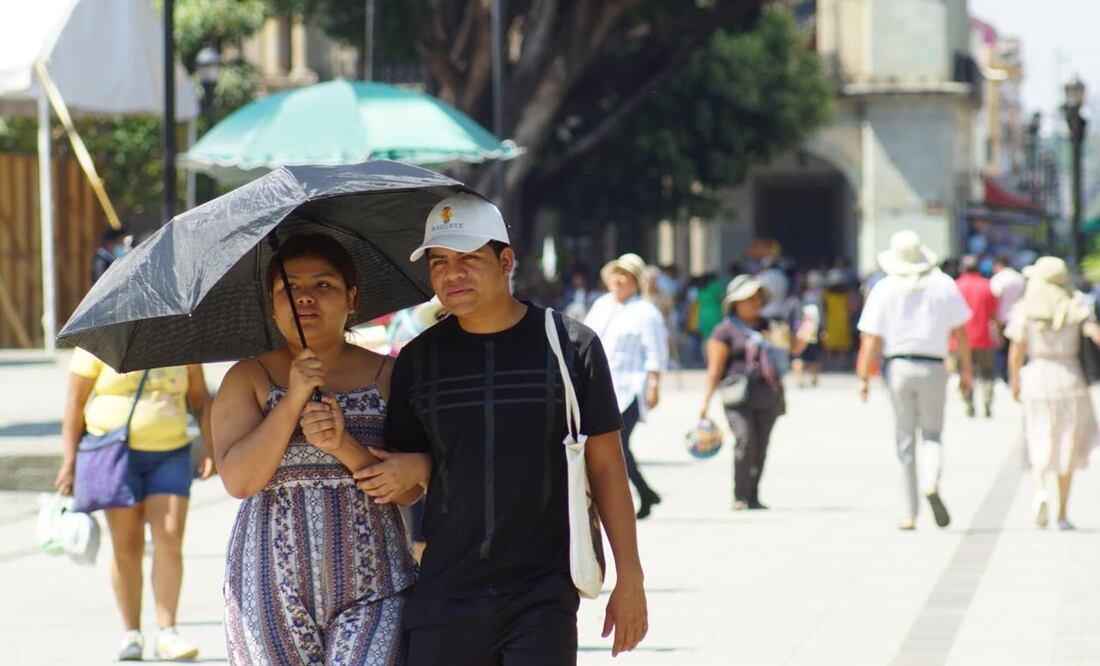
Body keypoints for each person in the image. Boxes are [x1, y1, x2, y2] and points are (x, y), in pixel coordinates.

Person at [378, 193, 647, 665]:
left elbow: (606, 468)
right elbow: (407, 483)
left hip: (541, 596)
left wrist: (631, 579)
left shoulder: (570, 347)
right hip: (443, 594)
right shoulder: (418, 361)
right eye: (439, 262)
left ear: (506, 261)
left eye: (467, 258)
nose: (451, 274)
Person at [211, 234, 427, 665]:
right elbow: (239, 480)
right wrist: (291, 399)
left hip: (375, 584)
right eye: (289, 288)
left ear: (352, 298)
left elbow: (410, 491)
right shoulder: (247, 378)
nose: (305, 298)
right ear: (273, 304)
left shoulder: (390, 375)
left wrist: (343, 445)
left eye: (323, 285)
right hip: (268, 588)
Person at [57, 350, 214, 661]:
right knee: (126, 545)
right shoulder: (98, 341)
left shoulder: (181, 338)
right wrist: (69, 462)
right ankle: (132, 633)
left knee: (169, 537)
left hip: (172, 452)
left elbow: (200, 399)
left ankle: (168, 632)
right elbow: (75, 404)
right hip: (114, 454)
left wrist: (211, 446)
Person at [856, 230, 973, 530]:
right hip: (934, 366)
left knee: (904, 440)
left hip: (898, 368)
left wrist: (863, 377)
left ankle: (909, 513)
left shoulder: (884, 288)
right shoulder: (943, 285)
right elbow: (961, 334)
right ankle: (931, 482)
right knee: (932, 434)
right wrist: (966, 371)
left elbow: (870, 338)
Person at [1007, 257, 1100, 530]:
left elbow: (1016, 349)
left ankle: (1040, 490)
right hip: (1070, 376)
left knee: (1038, 434)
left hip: (1037, 375)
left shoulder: (1026, 309)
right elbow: (1094, 333)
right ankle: (1062, 514)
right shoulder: (1075, 306)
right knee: (1067, 442)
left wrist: (1014, 380)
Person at [585, 253, 669, 519]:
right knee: (607, 445)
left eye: (626, 276)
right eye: (616, 274)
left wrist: (654, 384)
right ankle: (645, 492)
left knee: (617, 443)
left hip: (629, 387)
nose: (619, 280)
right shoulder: (600, 305)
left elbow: (656, 350)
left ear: (635, 281)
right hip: (599, 385)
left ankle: (639, 493)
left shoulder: (645, 312)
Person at [699, 275, 786, 511]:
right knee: (745, 440)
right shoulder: (724, 331)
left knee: (761, 445)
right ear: (736, 302)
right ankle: (740, 494)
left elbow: (789, 347)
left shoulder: (769, 325)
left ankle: (754, 495)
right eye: (749, 298)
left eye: (758, 297)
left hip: (768, 394)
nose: (755, 302)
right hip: (736, 397)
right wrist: (705, 402)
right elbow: (715, 369)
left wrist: (805, 329)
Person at [953, 255, 998, 417]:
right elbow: (993, 315)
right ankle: (987, 402)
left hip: (960, 338)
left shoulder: (956, 286)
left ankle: (969, 404)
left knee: (964, 370)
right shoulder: (986, 286)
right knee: (987, 372)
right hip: (983, 336)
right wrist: (998, 335)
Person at [990, 254, 1026, 380]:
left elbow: (995, 301)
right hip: (1018, 318)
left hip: (1002, 319)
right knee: (1017, 349)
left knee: (1002, 351)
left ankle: (1005, 377)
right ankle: (1015, 376)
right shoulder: (1019, 278)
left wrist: (994, 324)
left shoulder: (997, 279)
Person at [792, 270, 824, 388]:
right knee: (813, 356)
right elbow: (821, 315)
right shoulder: (816, 298)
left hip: (799, 332)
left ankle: (800, 380)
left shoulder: (795, 300)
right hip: (813, 332)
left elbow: (791, 316)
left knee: (798, 356)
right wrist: (822, 330)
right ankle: (813, 377)